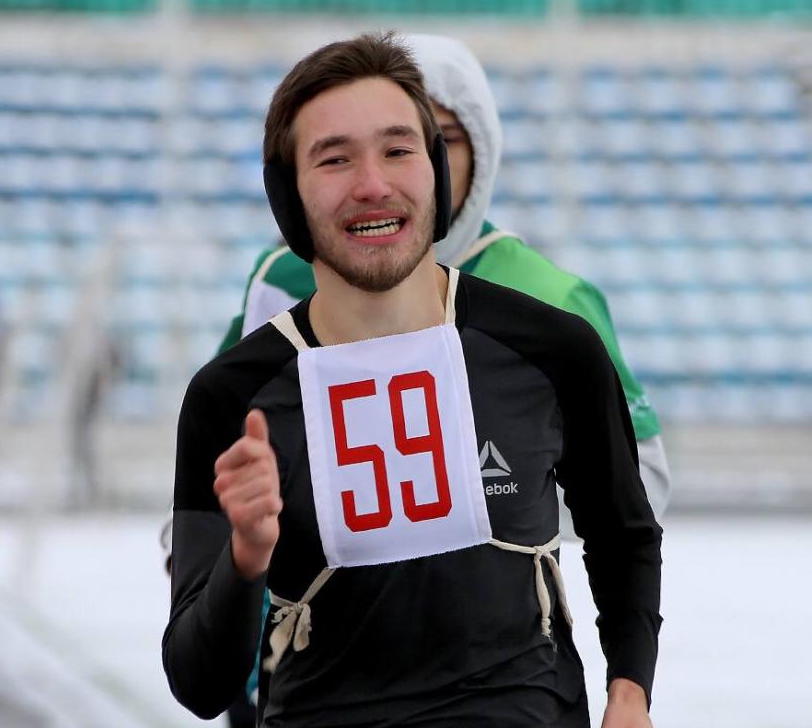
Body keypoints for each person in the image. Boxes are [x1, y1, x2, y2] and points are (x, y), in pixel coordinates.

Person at [163, 34, 668, 728]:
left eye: (400, 149)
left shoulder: (551, 346)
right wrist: (245, 560)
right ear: (288, 195)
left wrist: (630, 688)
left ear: (437, 171)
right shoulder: (229, 396)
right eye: (333, 159)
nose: (373, 183)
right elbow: (198, 680)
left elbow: (624, 530)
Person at [215, 33, 671, 518]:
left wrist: (482, 514)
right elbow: (220, 452)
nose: (389, 175)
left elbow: (642, 481)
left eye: (431, 142)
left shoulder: (551, 297)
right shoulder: (281, 280)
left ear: (482, 151)